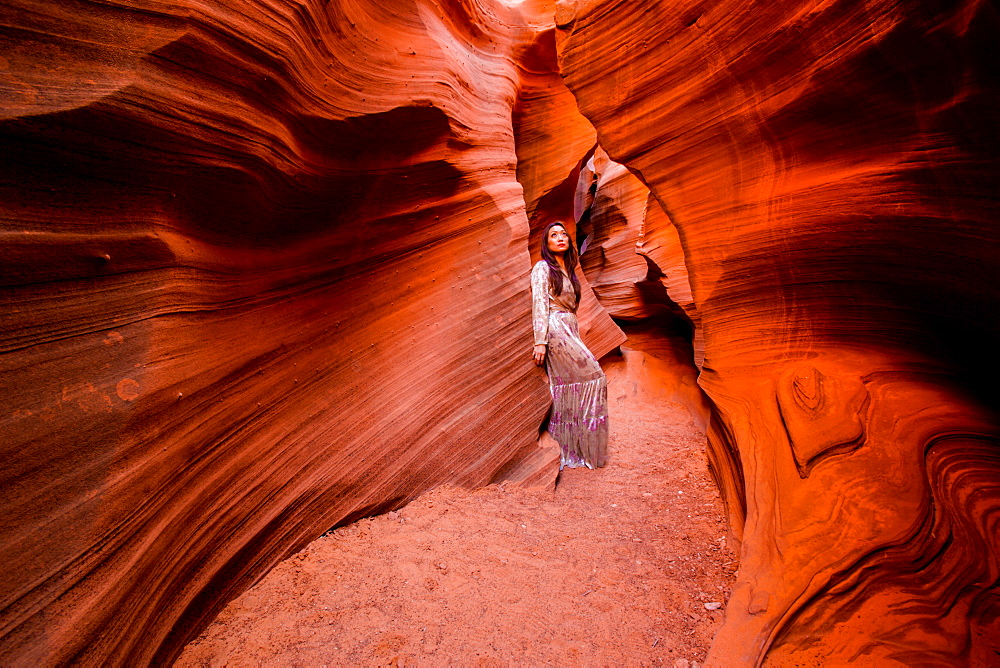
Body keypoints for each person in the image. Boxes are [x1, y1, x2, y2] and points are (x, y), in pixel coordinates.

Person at [531, 221, 609, 469]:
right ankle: (570, 447)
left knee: (568, 386)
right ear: (547, 243)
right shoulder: (543, 268)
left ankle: (576, 448)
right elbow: (540, 304)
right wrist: (540, 342)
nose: (560, 238)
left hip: (569, 328)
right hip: (554, 329)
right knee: (595, 377)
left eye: (564, 234)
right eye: (554, 235)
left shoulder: (569, 271)